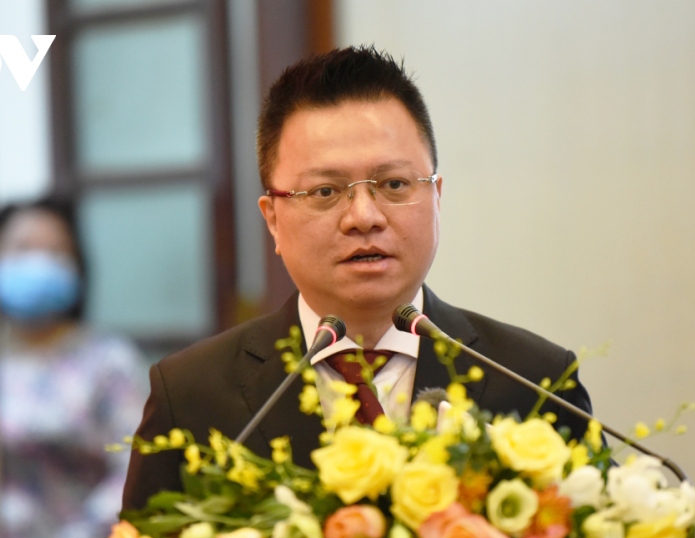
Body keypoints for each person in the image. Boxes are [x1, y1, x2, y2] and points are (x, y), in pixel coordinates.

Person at [122, 46, 596, 510]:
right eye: (325, 191)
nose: (364, 217)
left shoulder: (535, 380)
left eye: (394, 184)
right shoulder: (190, 395)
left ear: (436, 197)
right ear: (272, 219)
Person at [0, 198, 148, 538]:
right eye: (23, 249)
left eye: (56, 252)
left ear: (78, 267)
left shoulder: (108, 362)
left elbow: (136, 467)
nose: (39, 263)